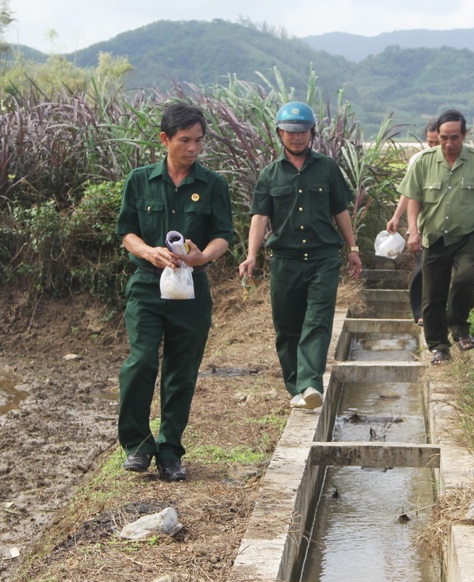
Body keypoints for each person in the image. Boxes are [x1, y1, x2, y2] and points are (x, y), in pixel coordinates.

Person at [116, 102, 233, 481]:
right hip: (148, 289)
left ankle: (170, 451)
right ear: (165, 139)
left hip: (191, 291)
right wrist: (148, 251)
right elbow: (127, 233)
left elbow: (223, 237)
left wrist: (201, 257)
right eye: (185, 140)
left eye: (199, 141)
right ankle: (137, 445)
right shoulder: (139, 181)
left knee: (181, 372)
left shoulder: (212, 185)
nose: (194, 149)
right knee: (141, 362)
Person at [239, 101, 362, 409]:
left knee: (318, 321)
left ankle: (310, 383)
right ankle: (295, 387)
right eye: (290, 132)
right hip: (285, 261)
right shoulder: (269, 175)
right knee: (288, 326)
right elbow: (259, 218)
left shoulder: (327, 168)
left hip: (323, 258)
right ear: (279, 133)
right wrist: (252, 255)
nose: (297, 138)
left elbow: (340, 210)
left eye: (303, 132)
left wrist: (353, 249)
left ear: (312, 134)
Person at [400, 109, 474, 364]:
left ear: (464, 135)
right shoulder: (423, 161)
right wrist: (413, 230)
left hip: (468, 235)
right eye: (443, 138)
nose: (448, 144)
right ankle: (439, 346)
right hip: (434, 237)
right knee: (432, 294)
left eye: (454, 137)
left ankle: (459, 326)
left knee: (465, 278)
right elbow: (413, 198)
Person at [386, 118, 440, 325]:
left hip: (446, 227)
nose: (434, 147)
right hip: (421, 225)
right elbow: (408, 191)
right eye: (430, 142)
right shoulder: (418, 160)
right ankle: (420, 312)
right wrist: (397, 216)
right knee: (422, 267)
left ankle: (439, 311)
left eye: (437, 142)